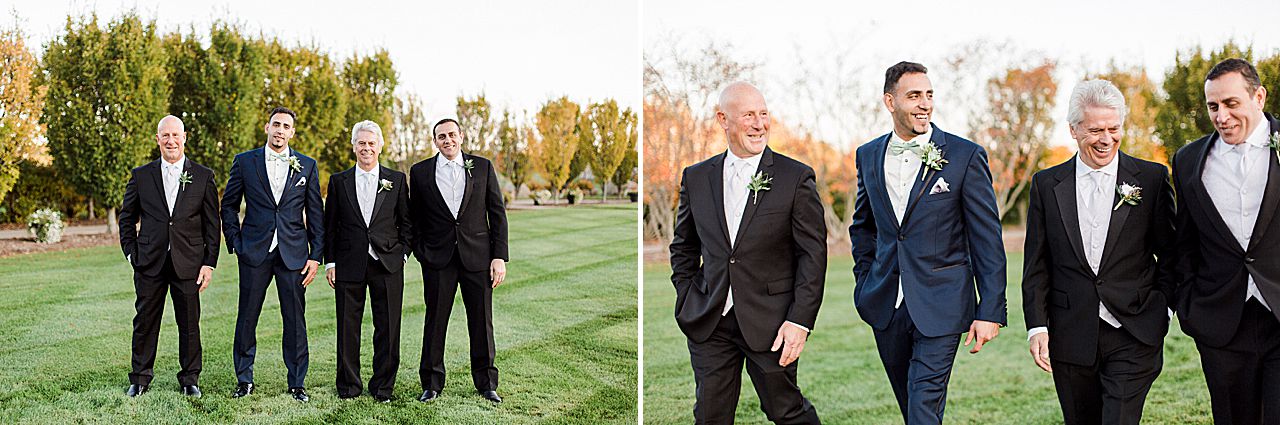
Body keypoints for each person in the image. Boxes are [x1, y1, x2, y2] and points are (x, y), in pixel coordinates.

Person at [849, 61, 1006, 424]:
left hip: (943, 303)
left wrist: (990, 310)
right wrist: (864, 280)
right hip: (886, 303)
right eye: (914, 96)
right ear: (890, 102)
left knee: (923, 407)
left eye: (929, 95)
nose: (925, 104)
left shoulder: (965, 156)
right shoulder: (868, 155)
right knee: (912, 407)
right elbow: (863, 227)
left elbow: (986, 238)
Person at [669, 81, 826, 424]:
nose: (759, 124)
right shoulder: (696, 177)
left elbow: (812, 256)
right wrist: (687, 295)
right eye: (748, 116)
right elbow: (683, 247)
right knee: (710, 415)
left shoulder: (795, 177)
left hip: (772, 322)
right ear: (723, 120)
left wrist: (799, 321)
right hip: (710, 320)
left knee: (786, 411)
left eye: (763, 114)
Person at [1022, 79, 1174, 424]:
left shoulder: (1151, 179)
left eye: (1113, 128)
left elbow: (1171, 254)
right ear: (1074, 130)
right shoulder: (1046, 184)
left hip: (1134, 330)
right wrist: (1037, 326)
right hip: (1070, 333)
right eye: (1095, 130)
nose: (1106, 139)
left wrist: (1163, 310)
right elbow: (1036, 264)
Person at [1170, 58, 1280, 424]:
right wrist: (1190, 307)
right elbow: (1185, 243)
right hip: (1221, 323)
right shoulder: (1188, 161)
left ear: (1259, 97)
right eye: (1213, 106)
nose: (1221, 116)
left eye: (1231, 103)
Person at [221, 106, 324, 402]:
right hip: (254, 251)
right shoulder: (245, 162)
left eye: (286, 126)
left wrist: (315, 255)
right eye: (276, 124)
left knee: (295, 320)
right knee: (247, 317)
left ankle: (297, 383)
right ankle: (244, 379)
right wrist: (236, 242)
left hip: (294, 254)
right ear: (267, 127)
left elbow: (315, 213)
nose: (280, 130)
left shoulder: (307, 165)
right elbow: (228, 205)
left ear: (292, 132)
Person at [118, 115, 220, 398]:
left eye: (176, 135)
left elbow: (213, 225)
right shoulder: (141, 175)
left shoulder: (203, 176)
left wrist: (209, 263)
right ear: (158, 139)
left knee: (189, 324)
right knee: (145, 322)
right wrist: (131, 253)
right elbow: (127, 218)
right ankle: (140, 377)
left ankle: (190, 379)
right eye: (165, 135)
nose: (171, 140)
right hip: (149, 262)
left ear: (184, 138)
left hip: (189, 263)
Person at [409, 118, 509, 403]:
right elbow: (414, 217)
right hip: (437, 259)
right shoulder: (420, 172)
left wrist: (499, 256)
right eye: (441, 136)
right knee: (435, 321)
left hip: (477, 257)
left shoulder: (482, 167)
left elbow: (497, 213)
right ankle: (431, 383)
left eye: (452, 134)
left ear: (461, 136)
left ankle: (487, 383)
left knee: (481, 322)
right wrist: (422, 252)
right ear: (435, 141)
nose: (447, 140)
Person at [324, 120, 411, 403]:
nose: (366, 148)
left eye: (372, 143)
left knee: (388, 328)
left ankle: (383, 386)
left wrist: (402, 254)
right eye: (361, 143)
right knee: (347, 327)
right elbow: (330, 226)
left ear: (380, 146)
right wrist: (330, 262)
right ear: (353, 146)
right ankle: (349, 386)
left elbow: (407, 223)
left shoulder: (396, 180)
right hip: (348, 263)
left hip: (387, 264)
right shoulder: (339, 181)